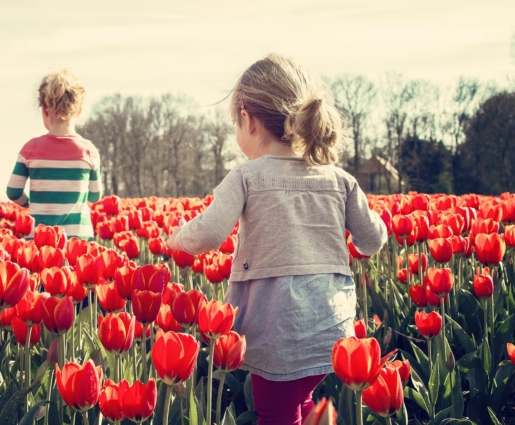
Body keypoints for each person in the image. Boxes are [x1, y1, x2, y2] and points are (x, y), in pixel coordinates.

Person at [166, 54, 387, 425]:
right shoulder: (339, 179)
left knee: (275, 414)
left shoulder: (247, 176)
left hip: (277, 327)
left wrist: (175, 239)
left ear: (247, 119)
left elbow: (208, 233)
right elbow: (372, 240)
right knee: (301, 402)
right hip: (330, 326)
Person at [6, 69, 102, 240]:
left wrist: (30, 204)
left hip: (40, 239)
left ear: (44, 109)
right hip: (78, 238)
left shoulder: (30, 149)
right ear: (79, 110)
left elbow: (13, 191)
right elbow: (95, 196)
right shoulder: (88, 151)